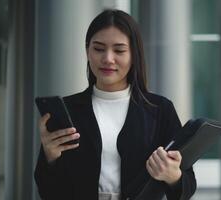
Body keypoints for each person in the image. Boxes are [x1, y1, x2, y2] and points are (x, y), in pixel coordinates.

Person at [34, 9, 196, 200]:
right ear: (87, 51)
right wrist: (50, 157)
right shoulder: (69, 109)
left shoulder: (160, 109)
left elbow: (187, 187)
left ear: (134, 55)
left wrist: (173, 176)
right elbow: (47, 191)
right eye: (98, 49)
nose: (107, 59)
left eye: (119, 50)